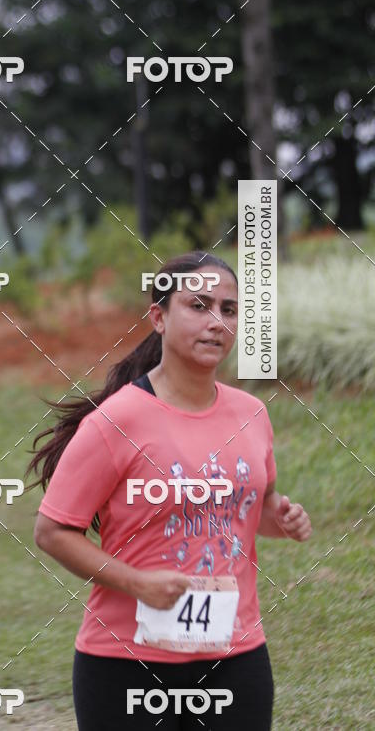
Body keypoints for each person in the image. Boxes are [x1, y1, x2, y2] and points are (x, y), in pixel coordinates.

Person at [29, 251, 312, 730]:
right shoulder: (117, 420)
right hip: (126, 665)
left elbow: (254, 509)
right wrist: (137, 582)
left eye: (228, 309)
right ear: (158, 317)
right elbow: (53, 531)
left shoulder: (251, 414)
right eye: (198, 306)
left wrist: (281, 520)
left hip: (235, 657)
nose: (216, 322)